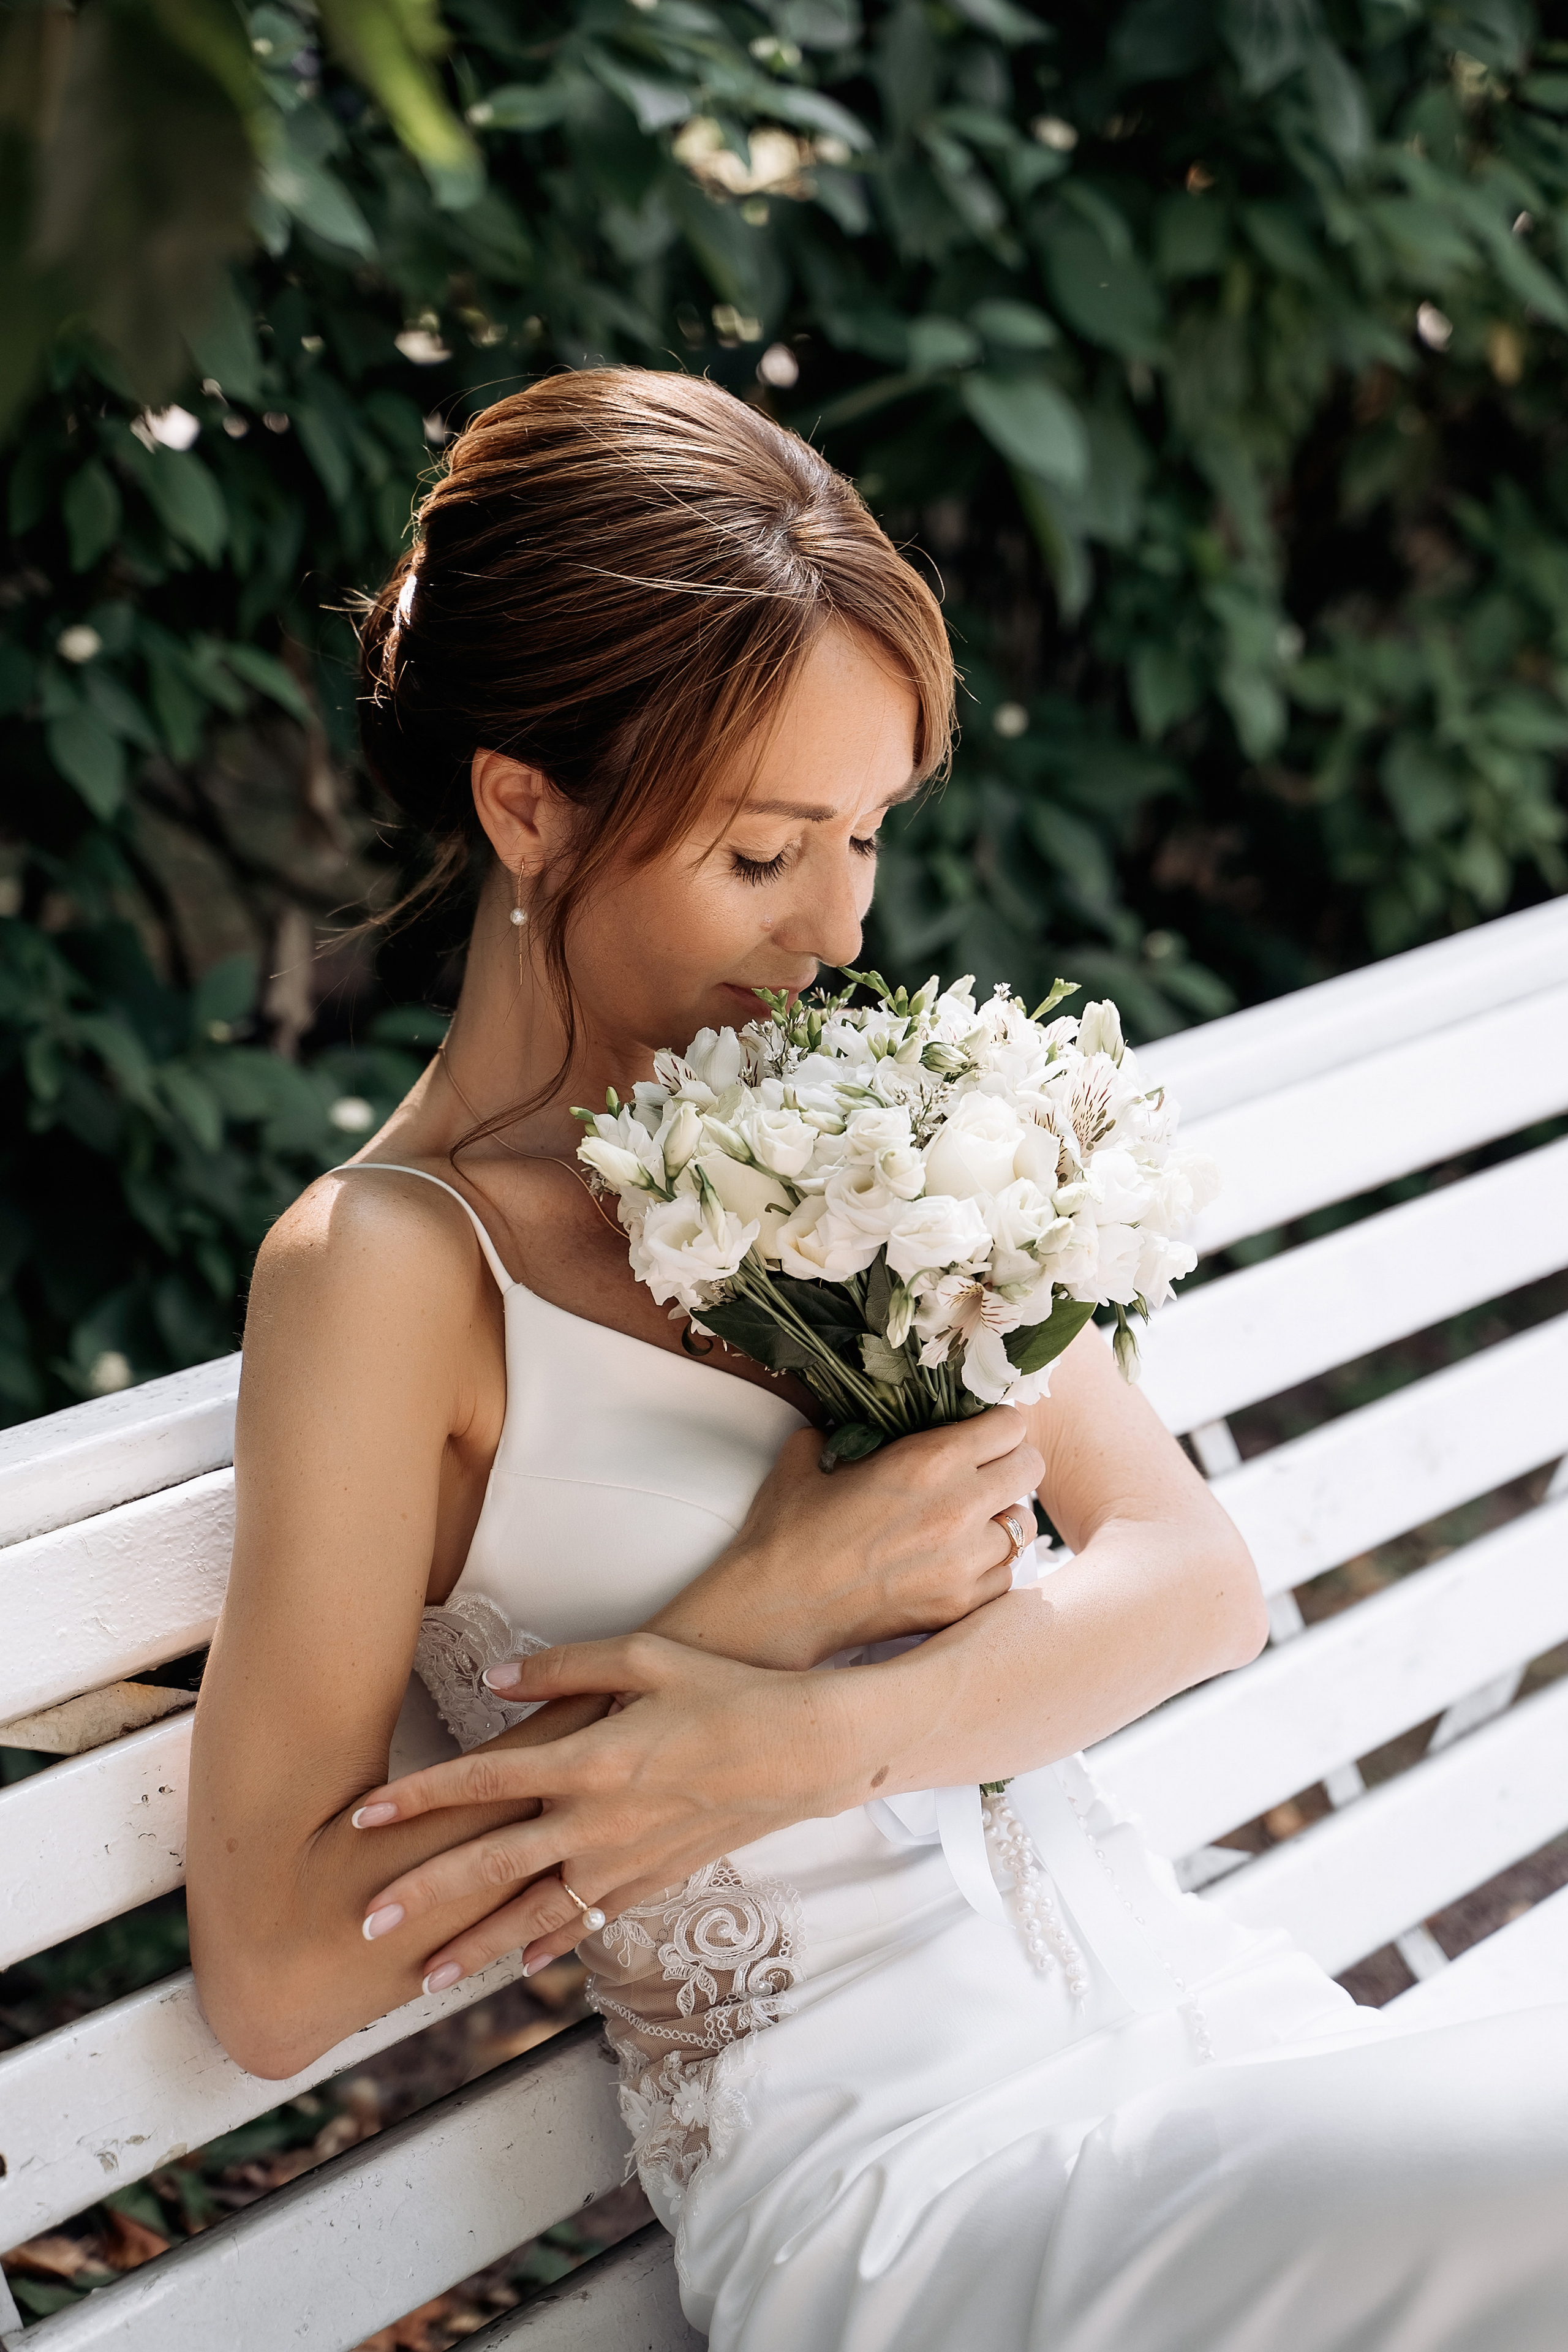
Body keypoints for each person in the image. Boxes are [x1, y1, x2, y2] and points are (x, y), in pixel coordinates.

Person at [187, 369, 1568, 2351]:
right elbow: (277, 1970)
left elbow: (1189, 1579)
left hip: (1199, 2040)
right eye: (764, 856)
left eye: (867, 838)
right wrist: (771, 1602)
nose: (838, 930)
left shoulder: (863, 1116)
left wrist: (791, 1735)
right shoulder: (394, 1273)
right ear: (526, 805)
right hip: (918, 2194)